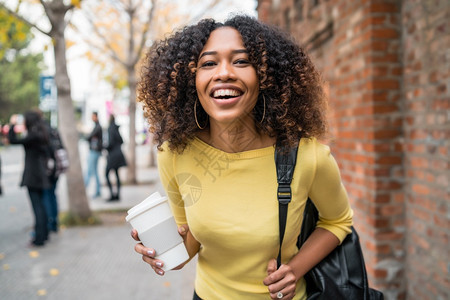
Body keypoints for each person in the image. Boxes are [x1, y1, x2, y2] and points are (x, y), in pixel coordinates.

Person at [131, 15, 353, 300]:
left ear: (265, 76)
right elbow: (190, 243)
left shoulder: (306, 155)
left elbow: (337, 221)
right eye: (208, 63)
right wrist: (159, 252)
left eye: (241, 61)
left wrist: (295, 269)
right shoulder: (174, 154)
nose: (223, 73)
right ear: (191, 80)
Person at [7, 111, 50, 247]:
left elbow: (13, 140)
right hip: (41, 173)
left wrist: (12, 125)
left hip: (33, 174)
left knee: (37, 206)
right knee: (41, 205)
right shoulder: (41, 133)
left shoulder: (33, 135)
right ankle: (44, 234)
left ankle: (39, 238)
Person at [104, 114, 127, 202]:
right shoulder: (116, 128)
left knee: (106, 174)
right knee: (117, 175)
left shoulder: (110, 129)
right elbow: (121, 141)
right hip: (119, 154)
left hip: (112, 156)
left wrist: (105, 147)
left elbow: (110, 143)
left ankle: (112, 195)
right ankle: (117, 195)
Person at [84, 111, 103, 198]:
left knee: (89, 171)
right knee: (94, 172)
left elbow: (89, 137)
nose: (92, 118)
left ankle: (84, 190)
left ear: (96, 117)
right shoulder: (96, 126)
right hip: (95, 151)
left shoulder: (98, 127)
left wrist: (88, 136)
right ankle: (98, 191)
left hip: (95, 152)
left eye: (93, 116)